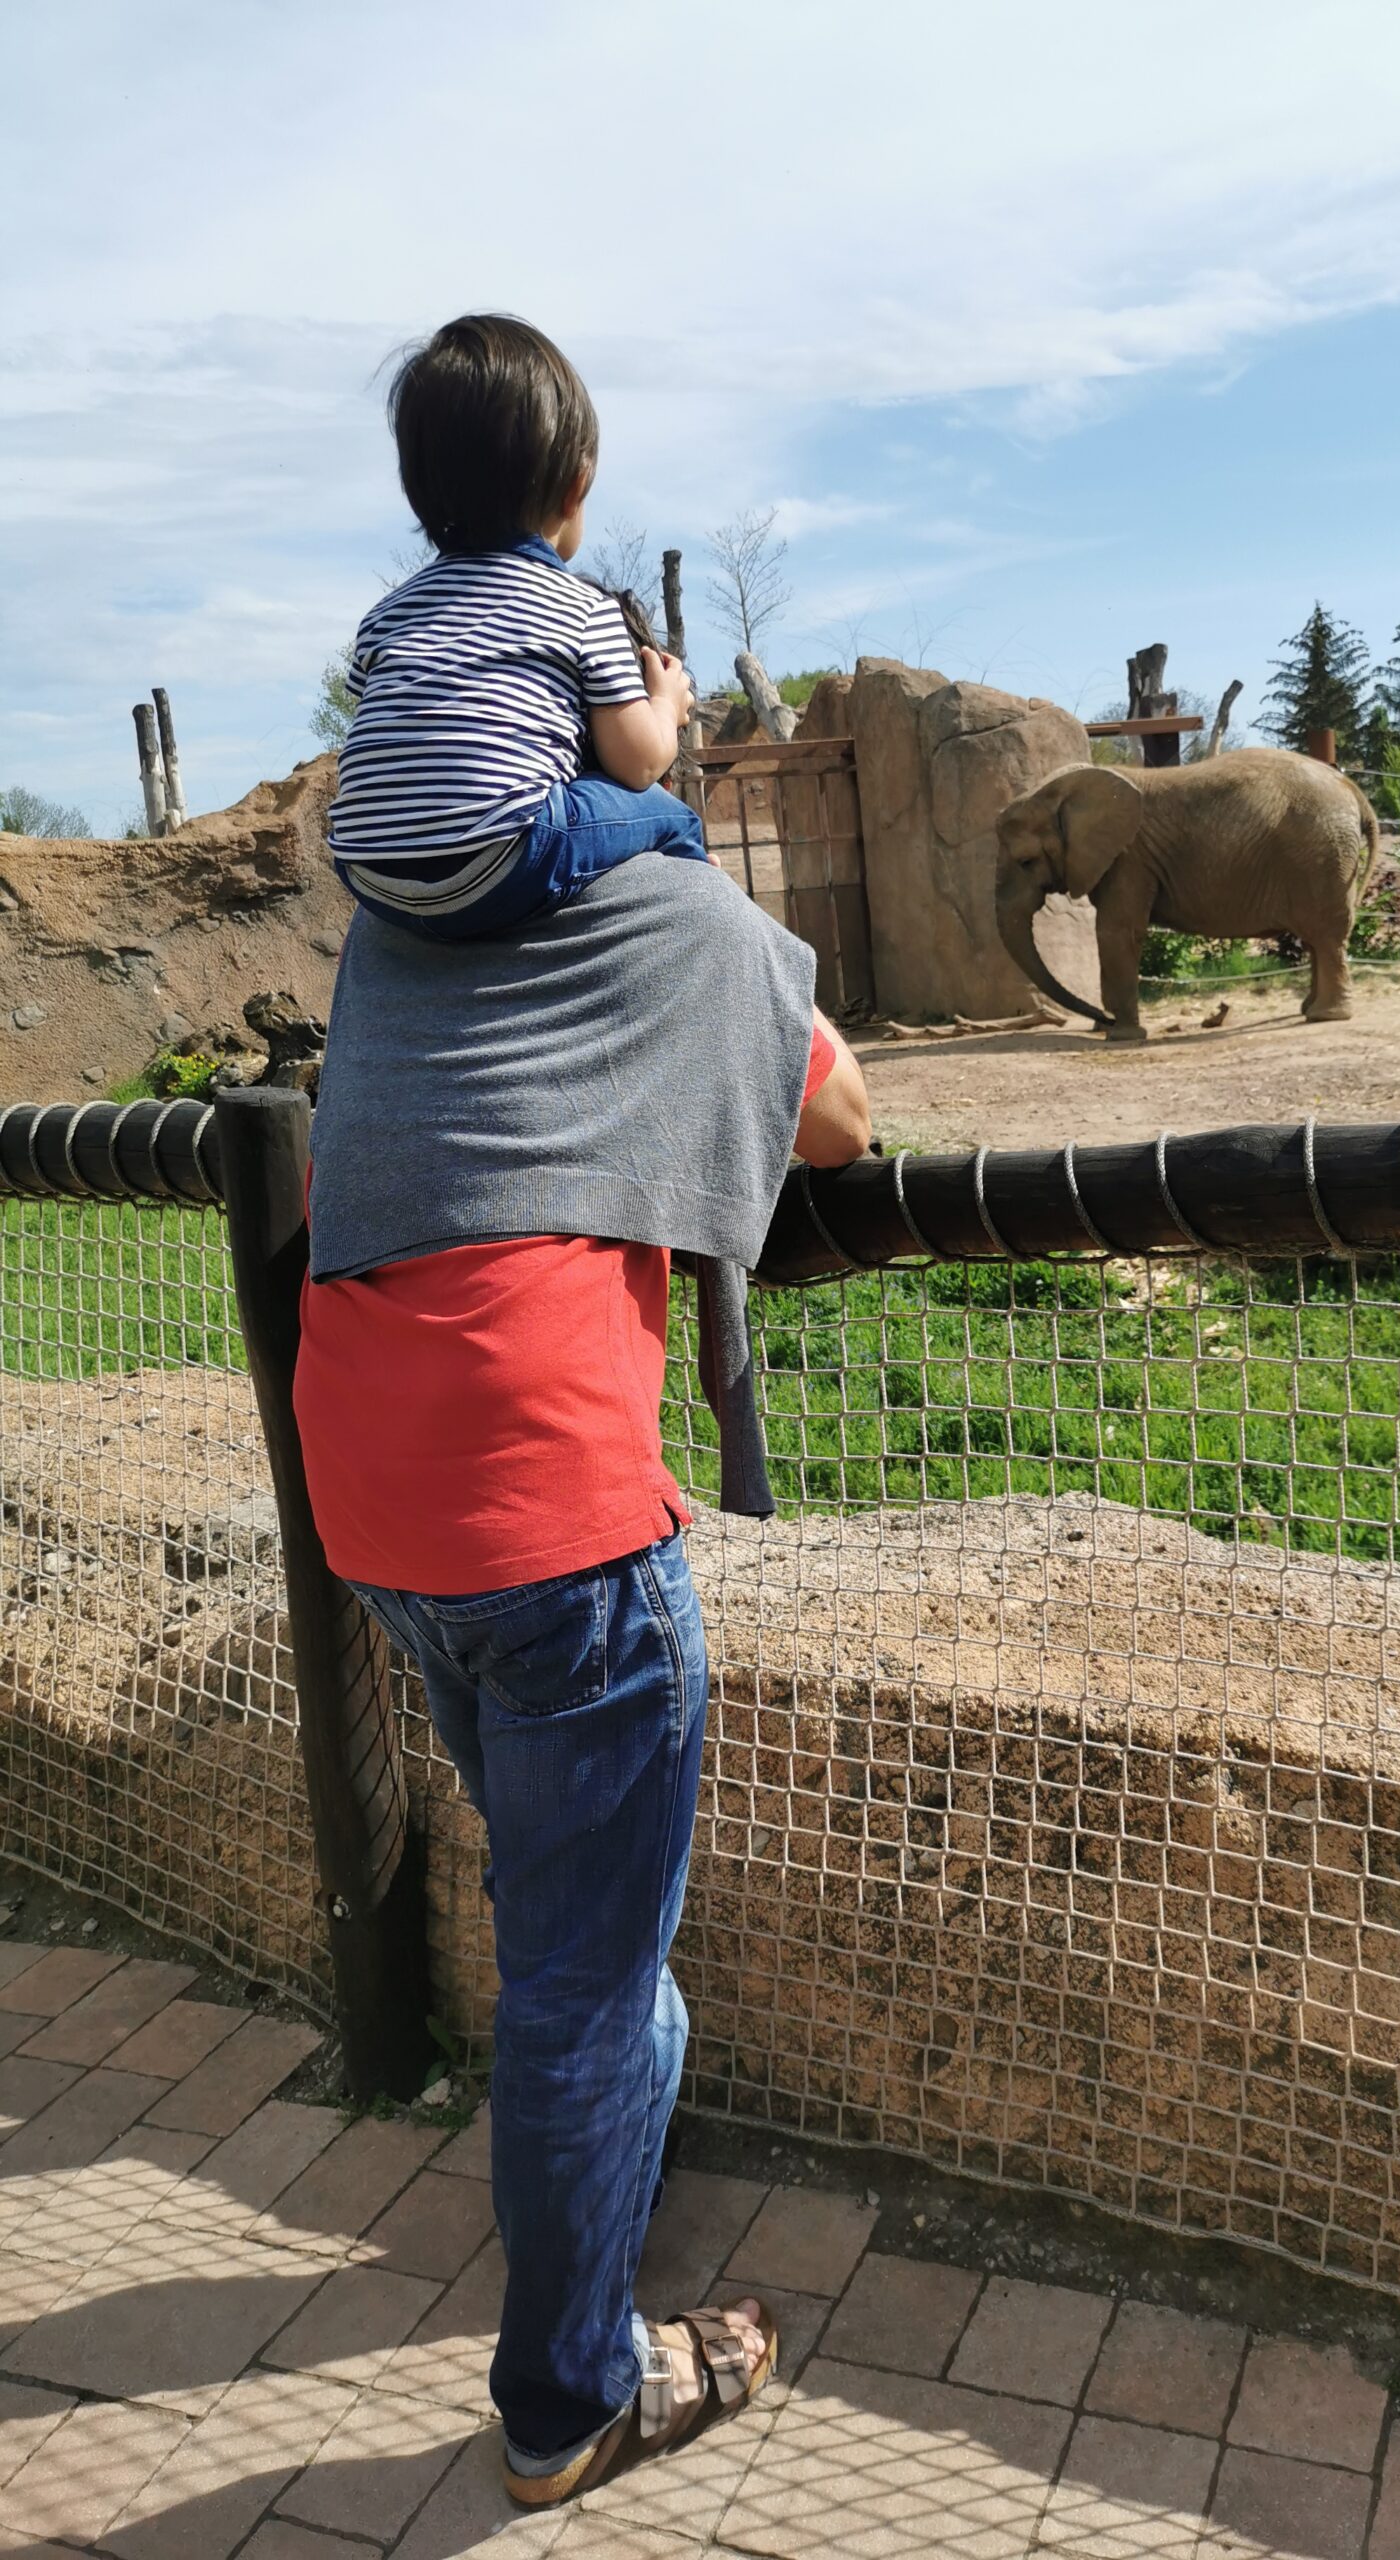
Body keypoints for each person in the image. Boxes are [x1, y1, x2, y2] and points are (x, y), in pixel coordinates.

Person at [295, 640, 873, 2497]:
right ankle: (568, 2404)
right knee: (583, 1981)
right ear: (603, 722)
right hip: (549, 1510)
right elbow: (843, 1119)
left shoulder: (390, 926)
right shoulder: (673, 901)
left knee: (582, 1941)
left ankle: (595, 2217)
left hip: (377, 1498)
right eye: (664, 694)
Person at [325, 311, 707, 939]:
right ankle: (693, 928)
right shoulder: (579, 608)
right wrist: (664, 705)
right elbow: (636, 762)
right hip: (499, 856)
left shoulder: (385, 617)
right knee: (670, 815)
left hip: (367, 870)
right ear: (574, 487)